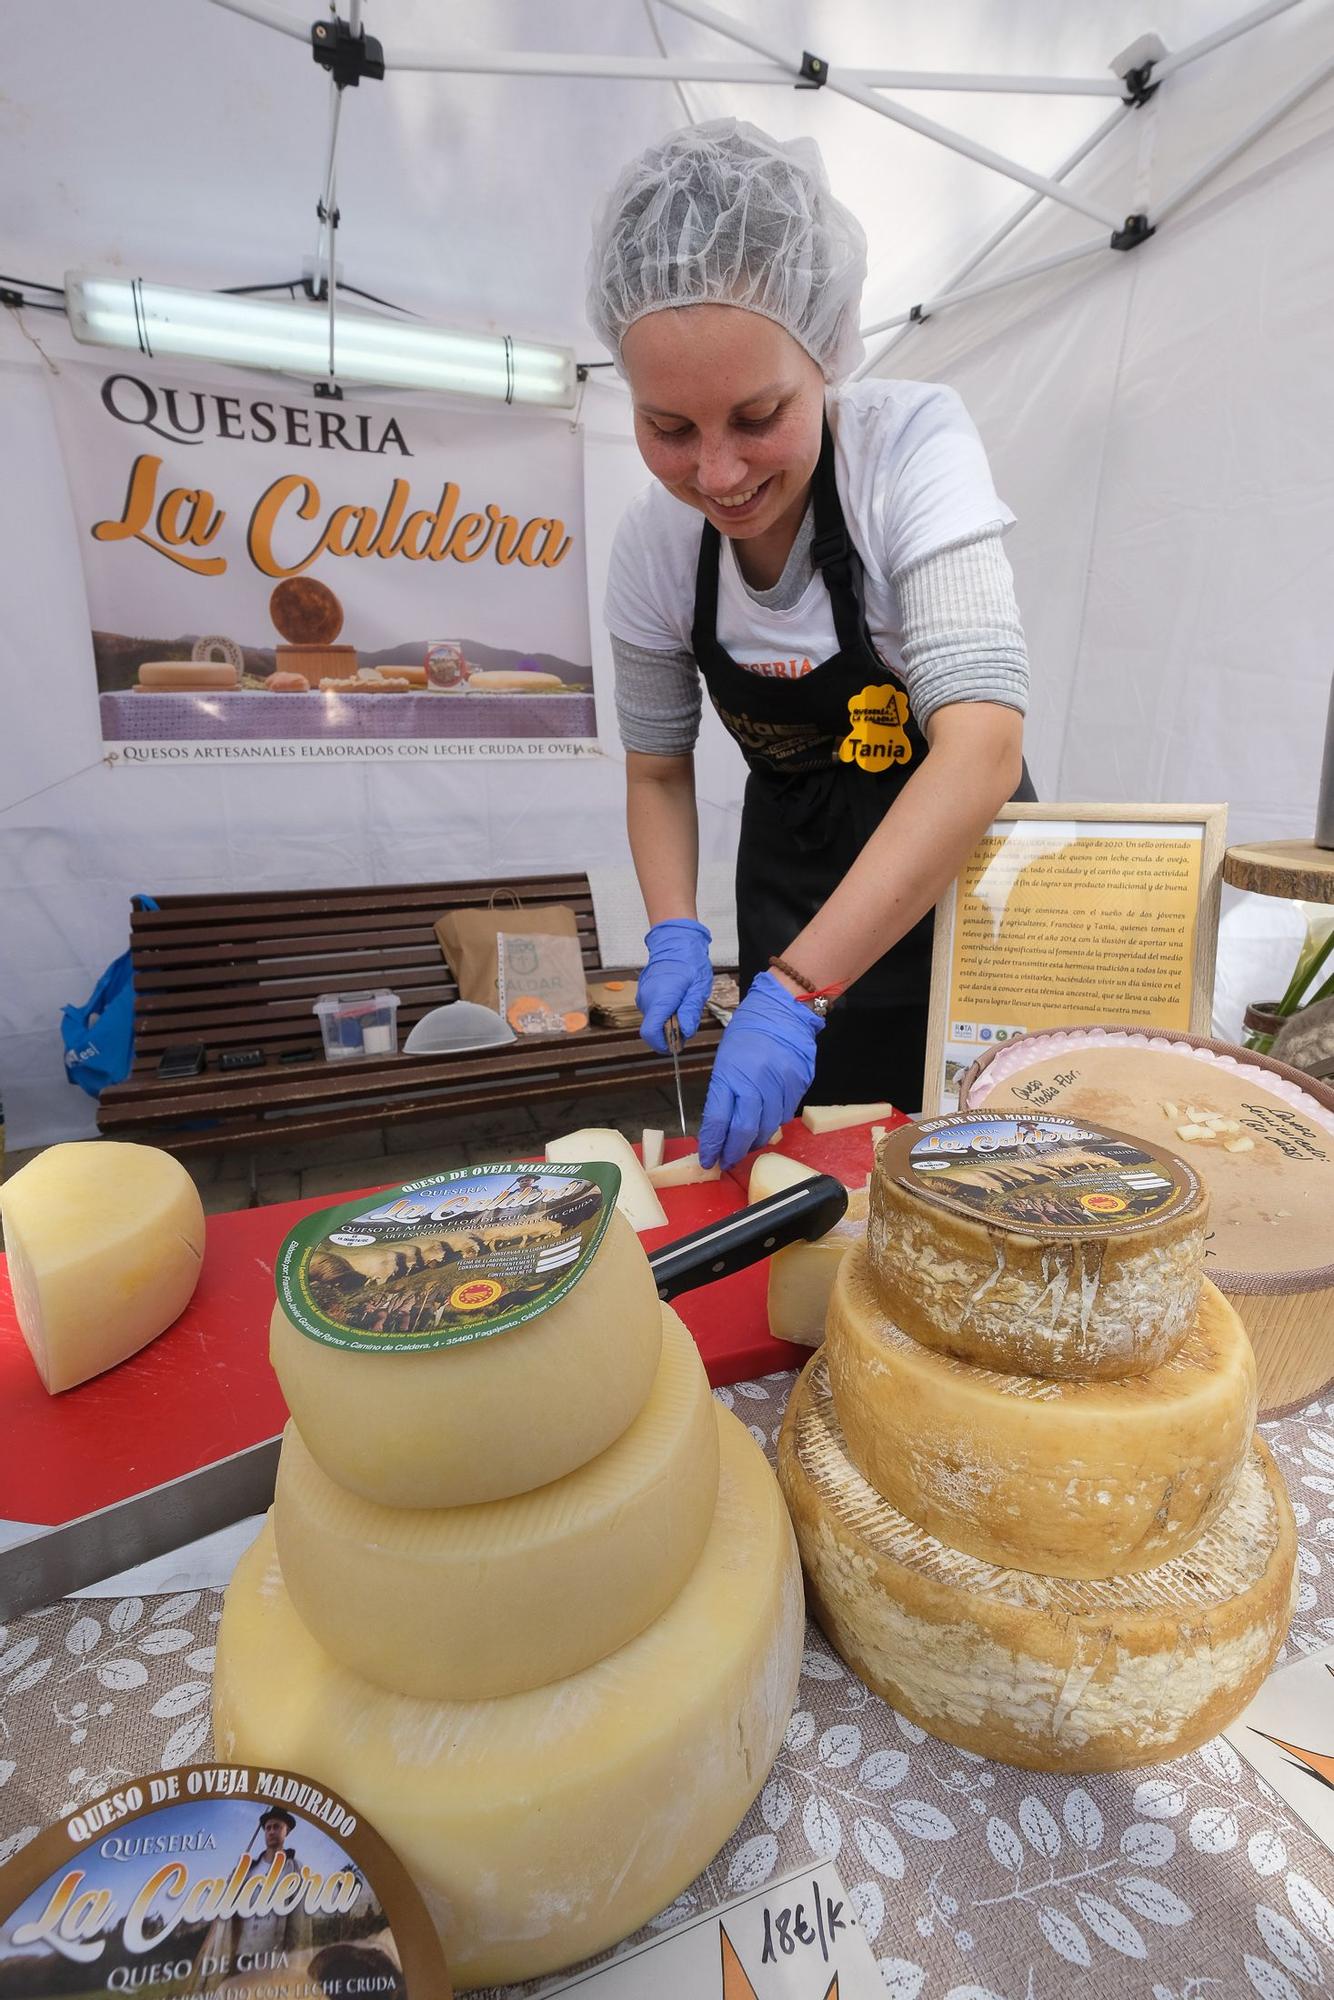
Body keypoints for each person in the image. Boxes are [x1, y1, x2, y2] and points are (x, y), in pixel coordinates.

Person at [587, 119, 1035, 1168]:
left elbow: (979, 746)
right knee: (816, 1199)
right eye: (668, 428)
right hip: (788, 898)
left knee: (978, 1179)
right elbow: (655, 771)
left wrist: (793, 992)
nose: (718, 474)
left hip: (965, 904)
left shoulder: (908, 449)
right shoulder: (653, 549)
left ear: (824, 350)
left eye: (756, 415)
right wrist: (671, 929)